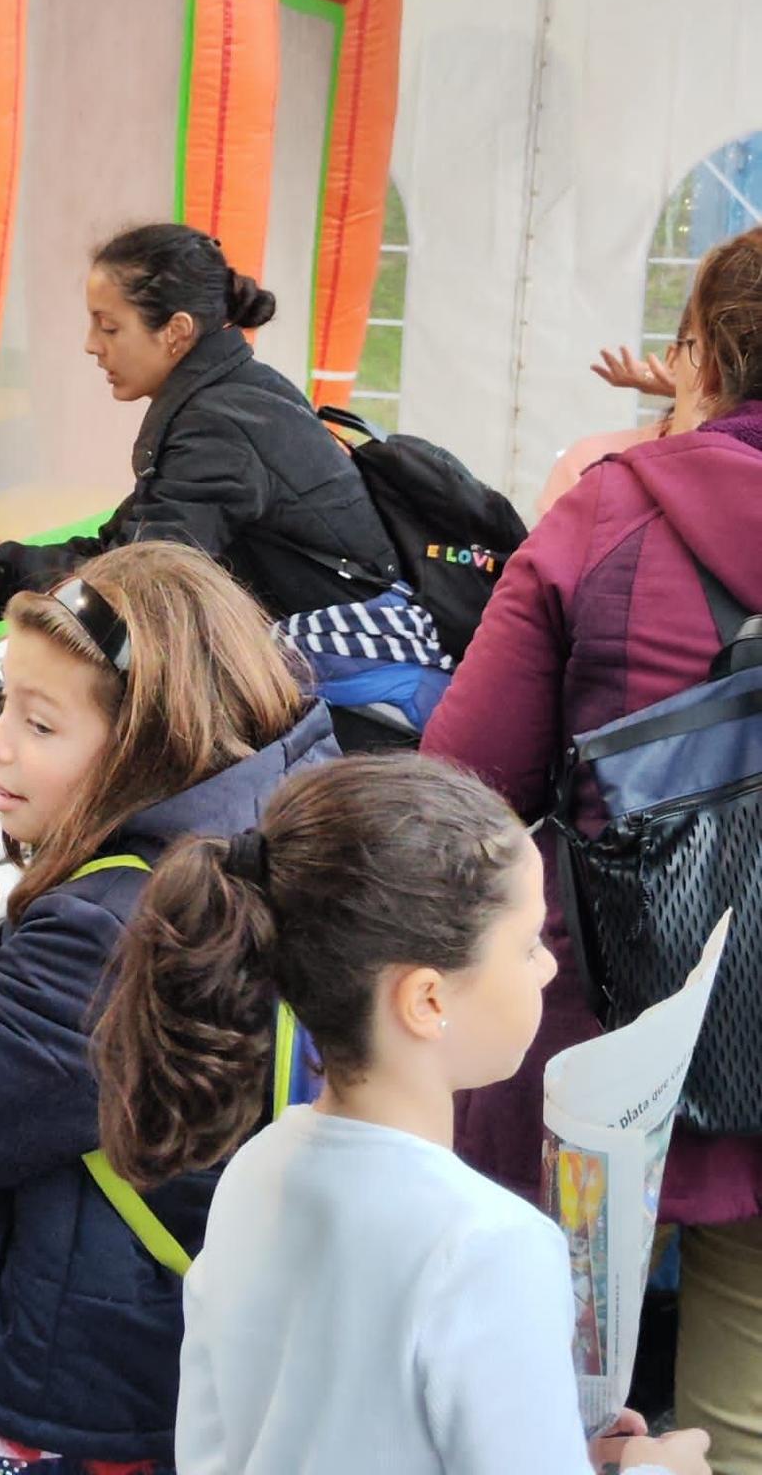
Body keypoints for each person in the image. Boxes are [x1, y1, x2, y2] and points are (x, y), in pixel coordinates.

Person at [0, 542, 337, 1472]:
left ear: (150, 747)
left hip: (85, 1380)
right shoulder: (287, 820)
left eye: (40, 724)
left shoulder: (112, 929)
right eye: (2, 705)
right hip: (209, 1347)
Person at [94, 753, 711, 1475]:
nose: (547, 968)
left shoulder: (257, 1169)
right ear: (427, 1000)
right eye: (527, 945)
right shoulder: (490, 1248)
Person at [423, 226, 762, 1472]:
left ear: (707, 353)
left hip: (605, 1037)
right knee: (744, 1417)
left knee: (547, 1391)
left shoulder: (611, 512)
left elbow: (462, 786)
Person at [0, 222, 397, 625]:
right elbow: (121, 546)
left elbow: (138, 585)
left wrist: (2, 569)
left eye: (109, 327)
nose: (91, 344)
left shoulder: (219, 428)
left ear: (176, 332)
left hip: (336, 666)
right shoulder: (232, 392)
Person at [536, 324, 705, 516]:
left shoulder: (740, 478)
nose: (724, 375)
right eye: (708, 354)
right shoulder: (589, 460)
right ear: (673, 359)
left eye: (743, 360)